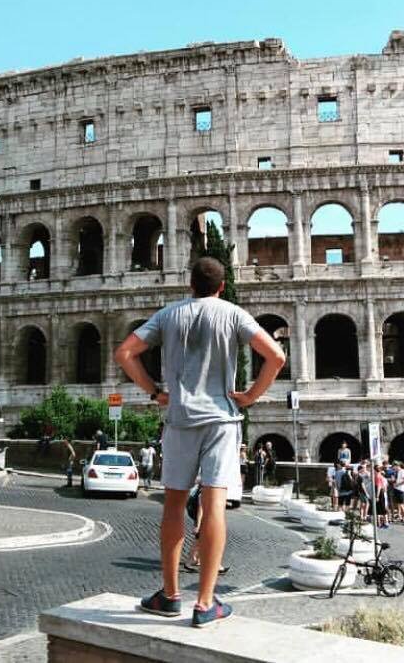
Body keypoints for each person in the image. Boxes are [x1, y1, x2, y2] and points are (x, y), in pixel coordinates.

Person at [115, 256, 285, 628]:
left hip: (179, 419)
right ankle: (206, 603)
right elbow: (276, 355)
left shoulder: (169, 314)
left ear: (189, 284)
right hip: (222, 420)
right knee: (215, 506)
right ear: (222, 286)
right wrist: (251, 395)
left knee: (174, 507)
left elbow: (124, 353)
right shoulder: (234, 314)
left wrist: (154, 392)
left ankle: (170, 595)